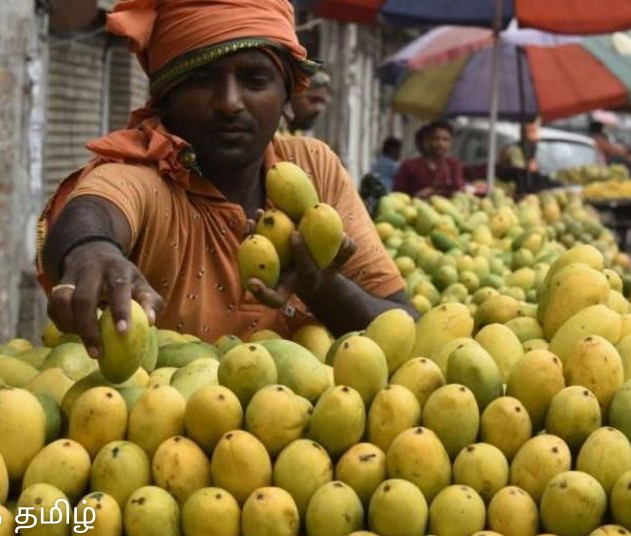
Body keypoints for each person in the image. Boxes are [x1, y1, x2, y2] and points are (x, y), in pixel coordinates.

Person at [35, 0, 416, 358]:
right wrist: (91, 248)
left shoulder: (310, 168)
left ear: (287, 96)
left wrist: (321, 286)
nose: (230, 102)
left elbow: (404, 324)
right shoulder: (146, 175)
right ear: (166, 98)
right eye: (202, 79)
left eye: (255, 79)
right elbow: (94, 210)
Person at [392, 120, 465, 198]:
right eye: (436, 139)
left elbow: (458, 190)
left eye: (445, 140)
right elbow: (397, 194)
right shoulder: (409, 166)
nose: (440, 144)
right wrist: (416, 196)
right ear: (428, 140)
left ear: (450, 143)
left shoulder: (453, 165)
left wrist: (434, 191)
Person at [278, 70, 332, 137]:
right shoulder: (270, 132)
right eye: (314, 100)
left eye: (323, 102)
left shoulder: (301, 137)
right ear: (292, 94)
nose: (319, 109)